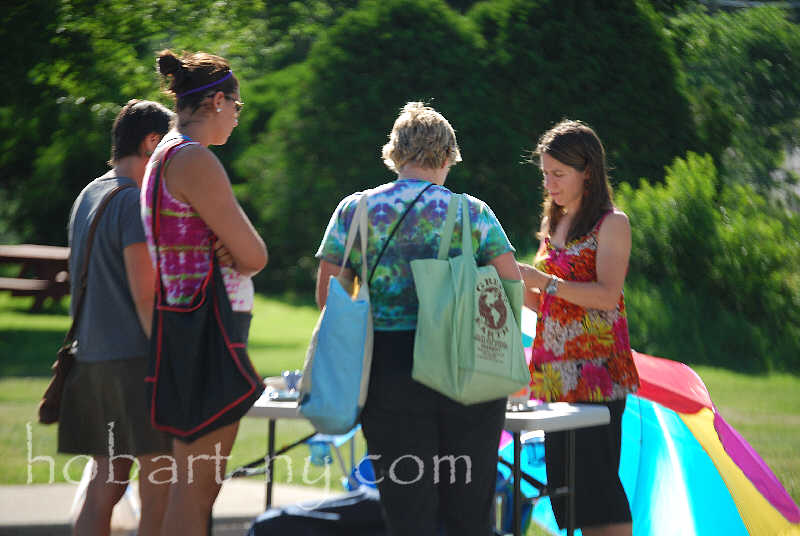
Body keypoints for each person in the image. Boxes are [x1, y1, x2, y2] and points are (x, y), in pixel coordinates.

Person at [315, 102, 522, 536]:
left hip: (388, 371)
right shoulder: (474, 212)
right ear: (447, 157)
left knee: (408, 513)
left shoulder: (356, 210)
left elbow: (327, 296)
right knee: (470, 512)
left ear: (394, 154)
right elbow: (510, 286)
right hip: (467, 368)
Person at [142, 49, 267, 534]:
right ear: (217, 101)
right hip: (207, 330)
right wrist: (238, 250)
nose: (237, 119)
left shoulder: (165, 153)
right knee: (197, 493)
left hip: (187, 324)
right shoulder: (194, 159)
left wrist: (231, 246)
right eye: (237, 107)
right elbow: (255, 256)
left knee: (190, 488)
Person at [517, 119, 640, 536]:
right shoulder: (554, 224)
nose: (548, 183)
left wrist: (543, 282)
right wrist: (511, 285)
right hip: (554, 373)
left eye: (558, 174)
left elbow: (607, 295)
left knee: (599, 483)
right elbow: (547, 305)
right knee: (564, 488)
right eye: (545, 174)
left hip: (597, 374)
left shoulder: (612, 223)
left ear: (587, 170)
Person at [59, 99, 174, 536]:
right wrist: (167, 360)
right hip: (133, 360)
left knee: (104, 478)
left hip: (91, 357)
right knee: (158, 481)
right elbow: (144, 293)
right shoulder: (132, 201)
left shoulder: (90, 192)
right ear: (151, 142)